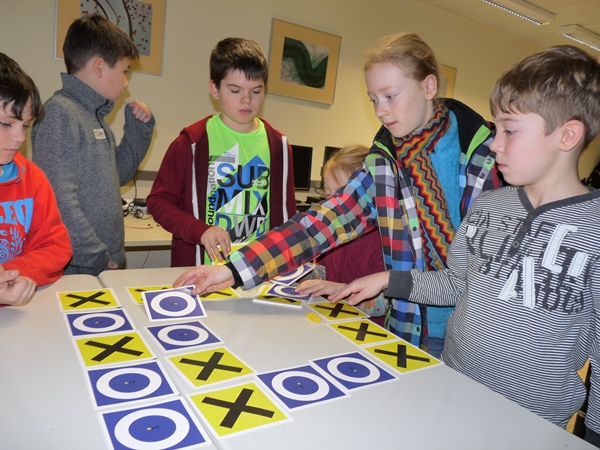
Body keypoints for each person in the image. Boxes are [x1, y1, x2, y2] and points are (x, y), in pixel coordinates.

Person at [329, 45, 600, 442]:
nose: (494, 143)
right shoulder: (489, 205)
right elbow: (456, 284)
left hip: (532, 423)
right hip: (453, 386)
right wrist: (389, 279)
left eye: (509, 131)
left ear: (567, 135)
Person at [173, 32, 504, 357]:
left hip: (472, 337)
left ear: (429, 87)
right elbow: (319, 225)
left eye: (390, 96)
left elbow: (489, 273)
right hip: (408, 328)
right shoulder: (384, 162)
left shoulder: (489, 157)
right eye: (373, 99)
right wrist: (233, 270)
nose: (380, 111)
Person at [146, 37, 296, 267]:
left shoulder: (279, 146)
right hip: (202, 270)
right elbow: (158, 201)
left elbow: (287, 217)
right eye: (235, 90)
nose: (246, 100)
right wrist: (200, 230)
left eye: (256, 91)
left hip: (257, 271)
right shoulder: (192, 142)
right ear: (214, 89)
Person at [31, 14, 155, 276]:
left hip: (101, 262)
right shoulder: (61, 114)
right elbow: (59, 201)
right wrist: (96, 256)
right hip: (80, 266)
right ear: (99, 67)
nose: (126, 82)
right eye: (124, 71)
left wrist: (138, 129)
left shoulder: (93, 116)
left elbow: (118, 174)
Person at [0, 53, 72, 306]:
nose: (20, 138)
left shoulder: (32, 178)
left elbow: (55, 247)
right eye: (6, 124)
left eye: (25, 125)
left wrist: (11, 275)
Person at [295, 144, 387, 323]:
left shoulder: (382, 243)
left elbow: (384, 304)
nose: (330, 205)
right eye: (328, 195)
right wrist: (296, 273)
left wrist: (339, 289)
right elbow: (323, 275)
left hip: (367, 329)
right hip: (332, 321)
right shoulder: (331, 235)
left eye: (339, 197)